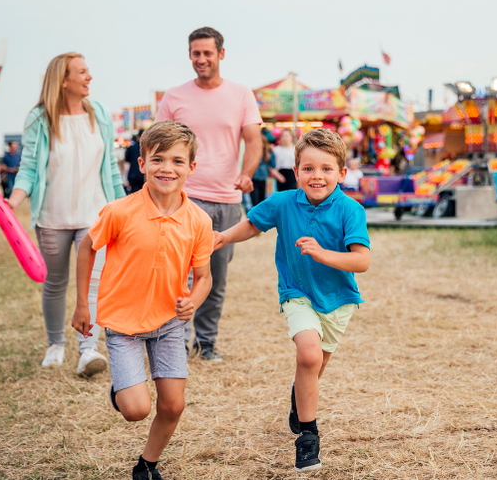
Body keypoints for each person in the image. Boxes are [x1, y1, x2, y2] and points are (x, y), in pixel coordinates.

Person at [213, 128, 370, 472]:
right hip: (296, 292)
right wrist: (222, 238)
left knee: (314, 367)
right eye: (309, 168)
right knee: (308, 355)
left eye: (326, 169)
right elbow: (253, 224)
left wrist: (323, 253)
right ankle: (308, 437)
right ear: (296, 171)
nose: (317, 176)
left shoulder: (351, 210)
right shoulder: (283, 202)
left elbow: (362, 261)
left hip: (338, 300)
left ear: (342, 173)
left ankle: (299, 397)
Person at [72, 121, 213, 480]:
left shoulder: (199, 220)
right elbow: (87, 247)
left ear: (191, 167)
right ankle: (122, 389)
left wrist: (193, 301)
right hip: (123, 325)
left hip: (169, 324)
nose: (167, 168)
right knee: (135, 410)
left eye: (178, 161)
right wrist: (82, 305)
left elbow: (204, 277)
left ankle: (146, 465)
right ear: (142, 163)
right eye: (158, 159)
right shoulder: (120, 210)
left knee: (173, 405)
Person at [8, 52, 125, 375]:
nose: (89, 77)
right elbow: (28, 168)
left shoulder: (99, 114)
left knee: (93, 284)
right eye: (82, 72)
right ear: (63, 81)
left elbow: (110, 168)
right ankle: (56, 343)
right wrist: (12, 201)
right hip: (52, 217)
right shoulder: (39, 119)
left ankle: (88, 350)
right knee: (55, 282)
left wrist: (124, 206)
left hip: (95, 215)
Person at [154, 26, 262, 362]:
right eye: (195, 54)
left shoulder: (241, 94)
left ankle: (206, 342)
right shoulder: (174, 97)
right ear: (189, 55)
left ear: (221, 54)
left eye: (207, 53)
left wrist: (246, 174)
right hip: (184, 199)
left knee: (214, 276)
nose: (201, 59)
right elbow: (157, 142)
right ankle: (176, 343)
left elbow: (253, 141)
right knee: (180, 275)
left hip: (227, 200)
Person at [251, 134, 283, 207]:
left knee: (262, 200)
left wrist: (272, 152)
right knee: (255, 201)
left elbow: (273, 165)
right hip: (254, 179)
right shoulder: (253, 153)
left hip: (264, 179)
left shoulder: (268, 154)